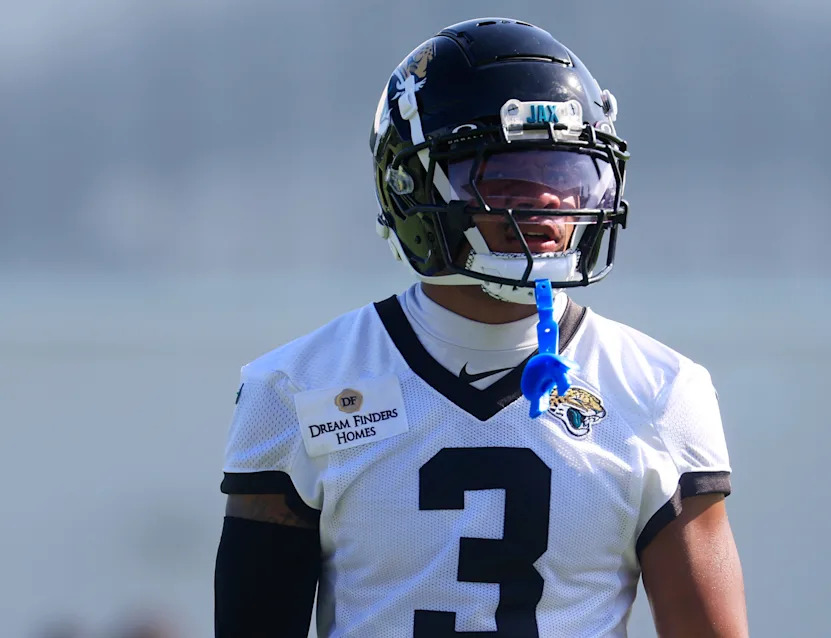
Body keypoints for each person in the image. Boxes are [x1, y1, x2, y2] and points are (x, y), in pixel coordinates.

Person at [214, 17, 748, 638]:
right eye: (508, 174)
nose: (548, 200)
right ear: (410, 183)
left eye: (567, 174)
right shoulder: (295, 388)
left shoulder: (660, 391)